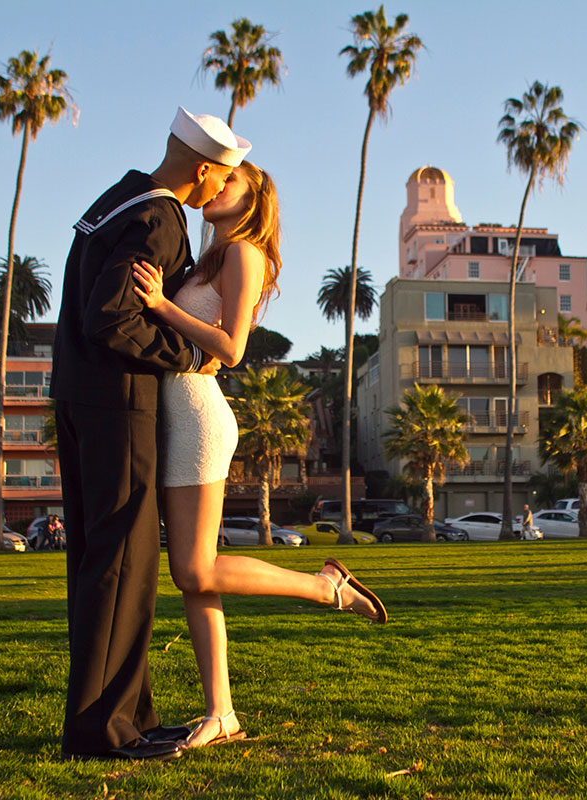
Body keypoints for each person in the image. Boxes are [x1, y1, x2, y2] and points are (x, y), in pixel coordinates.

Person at [131, 157, 387, 752]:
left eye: (233, 179)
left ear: (254, 199)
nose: (218, 185)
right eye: (216, 177)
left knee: (194, 569)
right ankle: (221, 712)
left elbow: (234, 347)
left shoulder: (244, 252)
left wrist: (161, 306)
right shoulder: (208, 259)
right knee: (197, 580)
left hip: (197, 418)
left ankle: (326, 586)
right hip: (176, 415)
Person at [51, 108, 246, 762]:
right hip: (118, 403)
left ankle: (128, 717)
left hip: (78, 397)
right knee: (121, 564)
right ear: (203, 170)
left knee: (104, 561)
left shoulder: (116, 199)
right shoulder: (159, 218)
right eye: (221, 178)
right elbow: (110, 317)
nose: (219, 191)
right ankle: (103, 730)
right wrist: (185, 356)